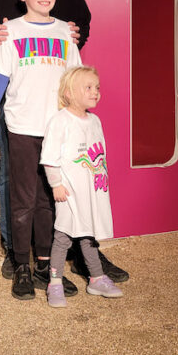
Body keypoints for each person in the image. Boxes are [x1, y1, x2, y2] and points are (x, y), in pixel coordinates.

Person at [0, 0, 127, 289]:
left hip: (57, 111)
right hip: (23, 108)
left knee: (61, 186)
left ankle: (64, 253)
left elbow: (81, 24)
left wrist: (71, 35)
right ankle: (16, 254)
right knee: (17, 183)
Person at [0, 0, 81, 300]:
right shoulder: (10, 32)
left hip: (56, 132)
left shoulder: (65, 34)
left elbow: (74, 87)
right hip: (23, 130)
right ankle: (22, 266)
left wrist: (81, 126)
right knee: (23, 200)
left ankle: (45, 265)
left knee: (48, 201)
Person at [40, 66, 122, 307]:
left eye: (97, 88)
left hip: (92, 193)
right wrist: (56, 185)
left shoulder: (95, 121)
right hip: (69, 193)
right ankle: (54, 283)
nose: (95, 92)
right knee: (63, 236)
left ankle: (96, 278)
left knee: (89, 235)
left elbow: (99, 156)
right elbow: (49, 157)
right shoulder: (60, 121)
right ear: (68, 93)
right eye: (88, 87)